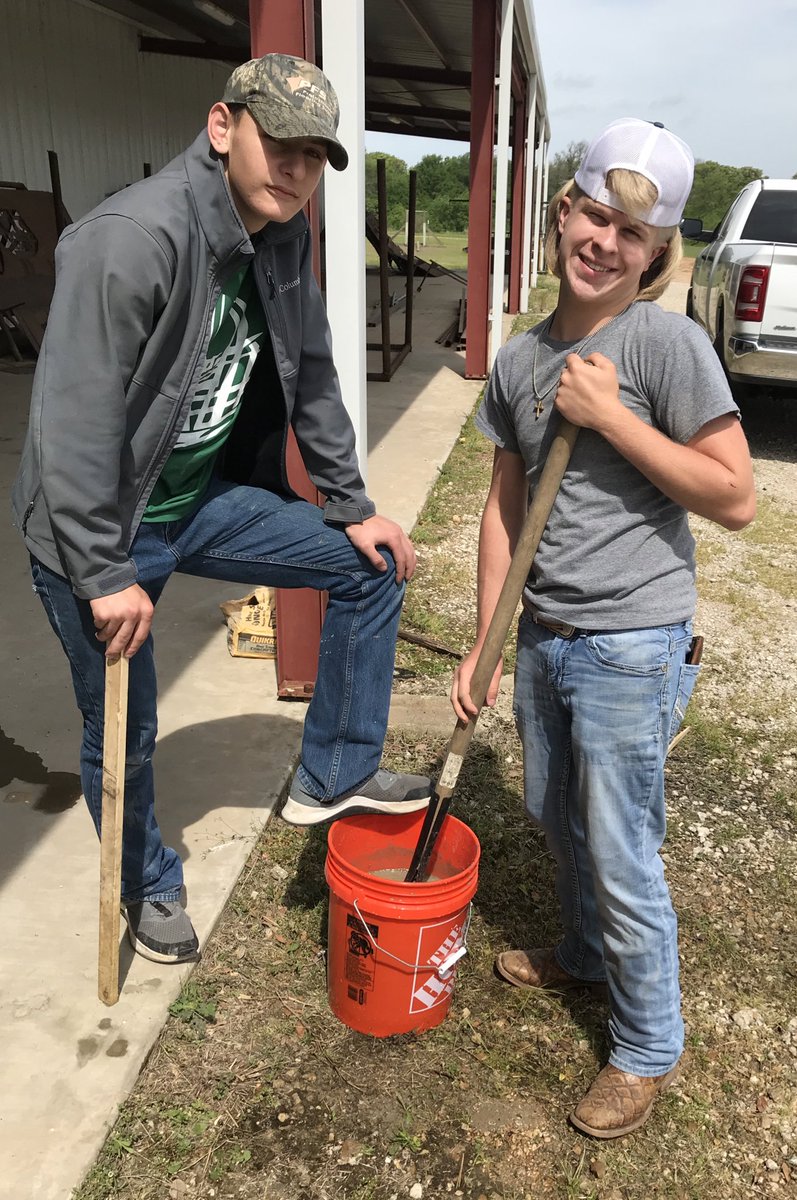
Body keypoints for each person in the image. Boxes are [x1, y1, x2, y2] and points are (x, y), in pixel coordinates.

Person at [12, 54, 431, 966]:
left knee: (370, 567)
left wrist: (351, 504)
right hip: (101, 529)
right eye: (279, 143)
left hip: (195, 499)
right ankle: (145, 882)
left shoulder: (282, 234)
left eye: (313, 155)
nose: (295, 168)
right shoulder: (131, 238)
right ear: (221, 126)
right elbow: (72, 422)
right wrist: (103, 572)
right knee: (125, 727)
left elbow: (311, 372)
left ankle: (335, 773)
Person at [451, 119, 755, 1138]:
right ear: (561, 212)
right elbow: (504, 503)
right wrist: (486, 640)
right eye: (593, 216)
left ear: (656, 251)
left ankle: (646, 1044)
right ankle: (583, 954)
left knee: (621, 849)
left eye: (632, 233)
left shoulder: (665, 346)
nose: (604, 243)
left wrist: (616, 418)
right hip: (543, 633)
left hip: (630, 642)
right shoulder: (520, 359)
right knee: (555, 813)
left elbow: (734, 496)